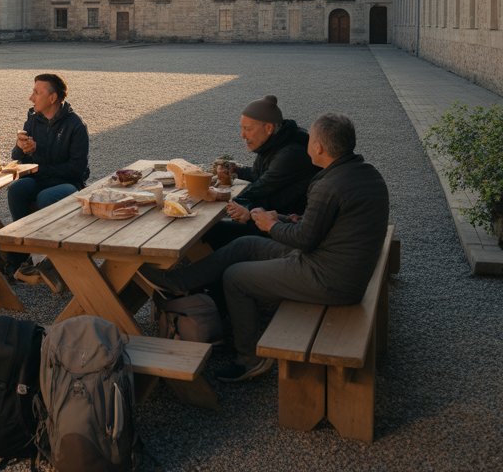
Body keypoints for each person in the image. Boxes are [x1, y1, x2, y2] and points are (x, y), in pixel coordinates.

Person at [144, 112, 389, 383]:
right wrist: (280, 218)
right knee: (245, 244)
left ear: (318, 147)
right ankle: (179, 282)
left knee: (236, 277)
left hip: (331, 278)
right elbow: (319, 227)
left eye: (312, 139)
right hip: (337, 262)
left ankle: (249, 358)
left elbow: (305, 239)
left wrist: (270, 226)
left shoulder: (329, 184)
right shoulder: (363, 173)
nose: (307, 142)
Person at [6, 73, 90, 291]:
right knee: (16, 189)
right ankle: (26, 252)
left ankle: (47, 259)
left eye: (36, 92)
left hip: (68, 184)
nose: (31, 97)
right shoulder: (33, 119)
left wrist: (40, 164)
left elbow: (77, 169)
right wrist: (21, 147)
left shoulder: (76, 125)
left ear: (53, 98)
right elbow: (18, 158)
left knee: (46, 197)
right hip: (39, 178)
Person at [205, 94, 315, 250]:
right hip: (273, 212)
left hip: (287, 225)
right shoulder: (278, 141)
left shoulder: (290, 154)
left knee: (214, 230)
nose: (242, 135)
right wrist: (236, 170)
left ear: (268, 128)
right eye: (242, 128)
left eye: (248, 129)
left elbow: (260, 188)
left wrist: (220, 196)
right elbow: (262, 176)